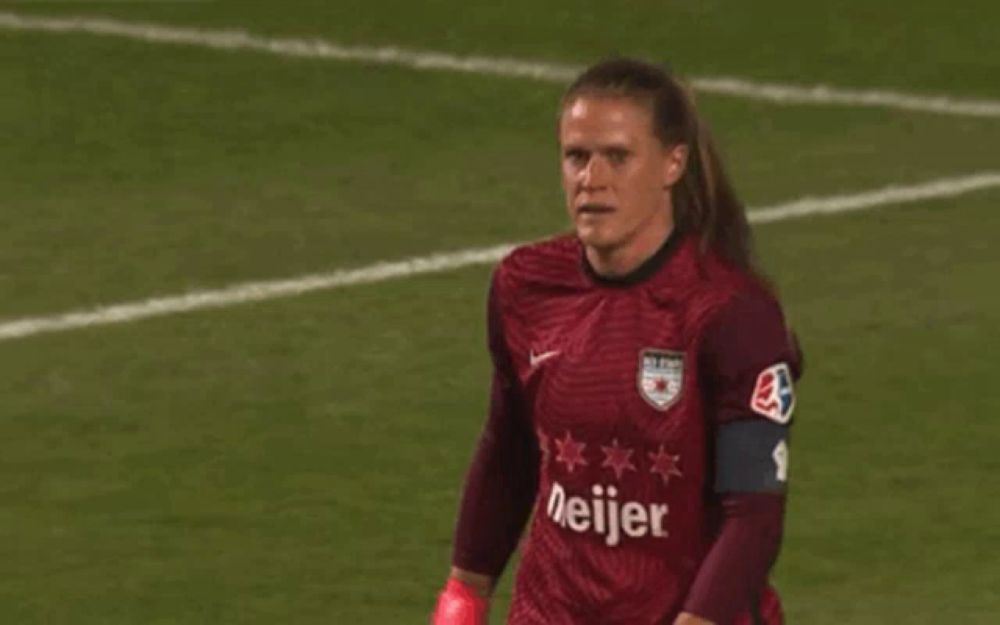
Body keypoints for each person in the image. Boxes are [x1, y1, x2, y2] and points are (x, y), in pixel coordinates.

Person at [431, 57, 801, 625]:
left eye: (617, 157)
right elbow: (508, 450)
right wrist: (464, 592)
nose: (591, 179)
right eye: (576, 156)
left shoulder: (729, 313)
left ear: (672, 162)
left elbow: (752, 516)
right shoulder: (525, 286)